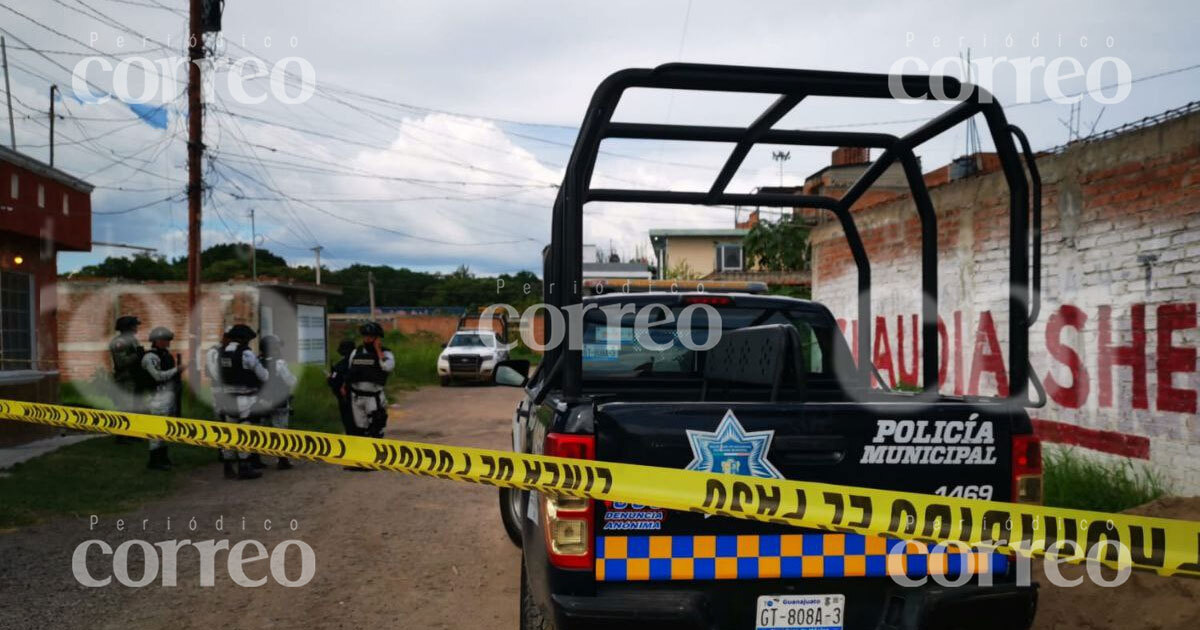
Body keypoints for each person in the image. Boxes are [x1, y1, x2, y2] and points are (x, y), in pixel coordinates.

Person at [217, 324, 268, 480]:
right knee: (244, 431)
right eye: (248, 339)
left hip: (227, 398)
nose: (249, 342)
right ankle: (244, 467)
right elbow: (263, 376)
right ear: (243, 339)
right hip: (245, 398)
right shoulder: (246, 354)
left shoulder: (222, 353)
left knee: (229, 432)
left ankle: (228, 466)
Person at [142, 327, 183, 471]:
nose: (169, 342)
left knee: (165, 430)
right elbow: (158, 376)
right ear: (158, 341)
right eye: (166, 340)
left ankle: (163, 458)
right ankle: (154, 461)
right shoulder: (150, 357)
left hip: (166, 396)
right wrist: (177, 370)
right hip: (156, 397)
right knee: (156, 431)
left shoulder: (164, 354)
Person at [345, 321, 395, 439]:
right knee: (361, 430)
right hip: (356, 397)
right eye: (365, 336)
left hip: (373, 398)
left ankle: (377, 455)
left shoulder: (386, 353)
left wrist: (378, 351)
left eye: (371, 337)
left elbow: (387, 367)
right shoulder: (356, 352)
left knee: (376, 429)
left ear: (377, 338)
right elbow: (350, 370)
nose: (367, 339)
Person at [257, 334, 298, 470]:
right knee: (280, 430)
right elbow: (291, 381)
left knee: (258, 430)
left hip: (261, 401)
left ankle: (254, 459)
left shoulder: (257, 361)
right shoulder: (279, 363)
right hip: (279, 401)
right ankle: (282, 459)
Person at [108, 315, 146, 444]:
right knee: (125, 407)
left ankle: (133, 434)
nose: (136, 328)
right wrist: (137, 355)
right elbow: (121, 362)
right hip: (125, 379)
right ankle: (121, 437)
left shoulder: (132, 340)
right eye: (134, 325)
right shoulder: (119, 342)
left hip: (134, 377)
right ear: (127, 327)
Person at [326, 339, 357, 436]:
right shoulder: (358, 363)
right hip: (359, 398)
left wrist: (329, 378)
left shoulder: (339, 365)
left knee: (349, 423)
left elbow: (333, 382)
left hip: (344, 399)